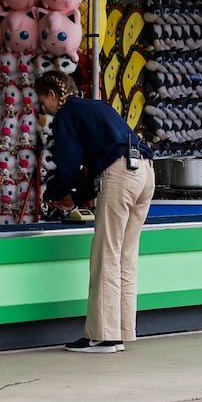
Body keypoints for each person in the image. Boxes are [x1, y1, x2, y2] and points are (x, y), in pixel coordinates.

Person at [37, 70, 156, 354]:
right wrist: (79, 196)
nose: (44, 108)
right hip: (146, 172)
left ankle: (103, 336)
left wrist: (58, 194)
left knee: (106, 254)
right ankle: (123, 330)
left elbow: (69, 166)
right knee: (125, 256)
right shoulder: (96, 105)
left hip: (120, 174)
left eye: (43, 101)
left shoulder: (67, 115)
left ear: (52, 95)